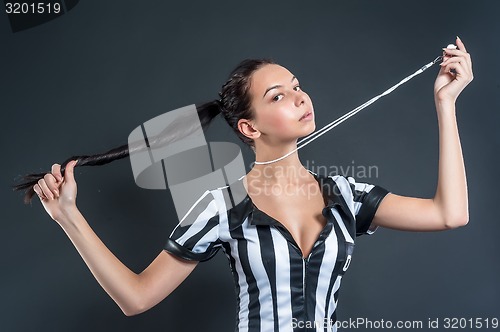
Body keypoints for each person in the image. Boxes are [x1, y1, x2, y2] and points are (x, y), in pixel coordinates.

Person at [23, 37, 472, 331]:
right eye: (277, 96)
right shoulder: (221, 207)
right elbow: (136, 299)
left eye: (297, 86)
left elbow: (450, 214)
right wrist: (68, 217)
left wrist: (445, 104)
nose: (300, 97)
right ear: (249, 128)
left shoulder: (344, 194)